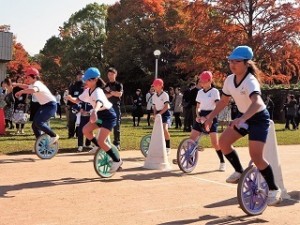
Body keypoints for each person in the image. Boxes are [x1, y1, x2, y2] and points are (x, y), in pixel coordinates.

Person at [204, 45, 281, 206]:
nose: (232, 64)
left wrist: (243, 118)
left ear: (246, 63)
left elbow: (258, 103)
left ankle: (274, 189)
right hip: (243, 117)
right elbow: (224, 101)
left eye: (237, 61)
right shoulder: (229, 80)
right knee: (223, 143)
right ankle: (239, 171)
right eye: (230, 61)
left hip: (258, 118)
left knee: (256, 156)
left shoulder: (250, 81)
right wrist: (210, 116)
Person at [66, 67, 122, 172]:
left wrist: (95, 111)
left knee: (102, 140)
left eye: (87, 80)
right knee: (85, 130)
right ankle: (98, 146)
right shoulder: (87, 91)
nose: (85, 81)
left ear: (95, 80)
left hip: (108, 116)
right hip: (100, 116)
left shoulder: (98, 91)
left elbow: (99, 102)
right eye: (85, 79)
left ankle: (117, 160)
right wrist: (70, 98)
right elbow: (78, 100)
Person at [190, 71, 225, 171]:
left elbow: (217, 107)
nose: (201, 83)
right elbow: (197, 107)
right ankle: (190, 160)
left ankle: (222, 161)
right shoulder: (200, 92)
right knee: (191, 139)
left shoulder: (215, 92)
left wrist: (208, 118)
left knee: (215, 143)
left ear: (210, 81)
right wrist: (198, 116)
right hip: (201, 116)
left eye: (203, 81)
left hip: (212, 116)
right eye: (200, 81)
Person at [14, 67, 59, 145]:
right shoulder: (33, 84)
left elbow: (33, 90)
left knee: (39, 122)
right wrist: (17, 84)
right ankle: (41, 144)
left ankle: (53, 136)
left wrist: (21, 92)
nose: (27, 79)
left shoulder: (37, 84)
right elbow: (27, 87)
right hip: (45, 105)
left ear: (34, 77)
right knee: (34, 125)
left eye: (28, 77)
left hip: (51, 105)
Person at [104, 67, 123, 150]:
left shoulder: (119, 85)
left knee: (116, 125)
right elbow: (105, 96)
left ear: (115, 75)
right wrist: (113, 93)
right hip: (107, 106)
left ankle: (117, 143)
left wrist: (111, 92)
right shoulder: (106, 85)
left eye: (112, 74)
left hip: (115, 106)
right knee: (105, 124)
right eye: (109, 74)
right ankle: (105, 142)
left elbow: (119, 94)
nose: (110, 76)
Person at [152, 78, 171, 154]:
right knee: (157, 131)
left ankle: (168, 147)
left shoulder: (165, 95)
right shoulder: (154, 96)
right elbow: (154, 107)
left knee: (164, 129)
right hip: (158, 113)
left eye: (155, 86)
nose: (154, 87)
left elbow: (166, 106)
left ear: (160, 86)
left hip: (165, 113)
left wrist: (159, 114)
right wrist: (155, 114)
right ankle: (159, 146)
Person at [67, 71, 84, 138]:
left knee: (79, 121)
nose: (80, 76)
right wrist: (69, 105)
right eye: (79, 75)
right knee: (72, 120)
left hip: (82, 106)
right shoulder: (72, 85)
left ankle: (78, 134)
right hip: (73, 105)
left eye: (82, 75)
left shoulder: (85, 85)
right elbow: (69, 95)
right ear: (76, 76)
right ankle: (71, 134)